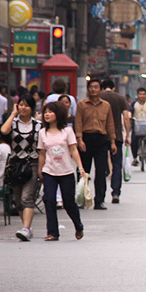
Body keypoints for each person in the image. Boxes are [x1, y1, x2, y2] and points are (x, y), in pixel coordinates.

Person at [37, 100, 87, 241]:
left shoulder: (67, 131)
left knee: (68, 202)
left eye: (50, 112)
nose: (47, 115)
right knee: (49, 200)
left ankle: (78, 225)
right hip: (49, 171)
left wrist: (80, 167)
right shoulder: (42, 133)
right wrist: (40, 170)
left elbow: (73, 150)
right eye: (45, 112)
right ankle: (52, 232)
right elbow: (42, 153)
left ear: (58, 114)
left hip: (66, 171)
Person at [0, 93, 41, 242]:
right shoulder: (14, 123)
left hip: (32, 164)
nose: (23, 108)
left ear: (32, 108)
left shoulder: (38, 125)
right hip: (16, 165)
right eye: (21, 105)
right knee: (18, 201)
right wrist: (13, 114)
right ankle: (27, 228)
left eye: (26, 105)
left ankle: (26, 229)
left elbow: (41, 148)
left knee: (27, 198)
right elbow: (4, 131)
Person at [74, 79, 116, 210]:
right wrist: (79, 139)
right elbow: (78, 123)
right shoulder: (81, 104)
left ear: (100, 89)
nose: (93, 89)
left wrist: (113, 141)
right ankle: (81, 198)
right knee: (83, 171)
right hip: (86, 139)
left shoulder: (106, 105)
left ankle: (99, 200)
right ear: (88, 89)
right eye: (91, 87)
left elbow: (110, 124)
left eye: (96, 87)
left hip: (101, 140)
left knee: (101, 171)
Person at [100, 79, 131, 203]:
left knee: (100, 165)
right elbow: (126, 118)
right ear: (113, 88)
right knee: (117, 164)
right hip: (117, 135)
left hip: (100, 135)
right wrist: (127, 134)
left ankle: (100, 195)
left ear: (102, 88)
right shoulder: (120, 98)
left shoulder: (99, 97)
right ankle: (116, 192)